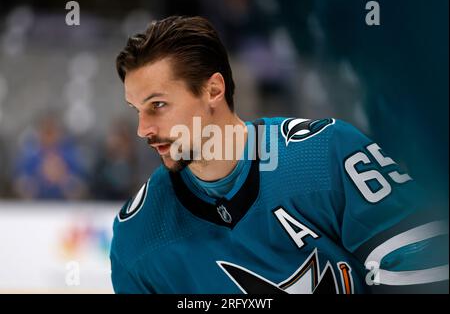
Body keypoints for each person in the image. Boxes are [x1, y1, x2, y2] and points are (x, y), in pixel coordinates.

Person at [110, 16, 448, 293]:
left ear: (213, 90)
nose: (143, 129)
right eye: (136, 109)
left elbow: (424, 264)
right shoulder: (138, 235)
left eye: (158, 105)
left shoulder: (325, 156)